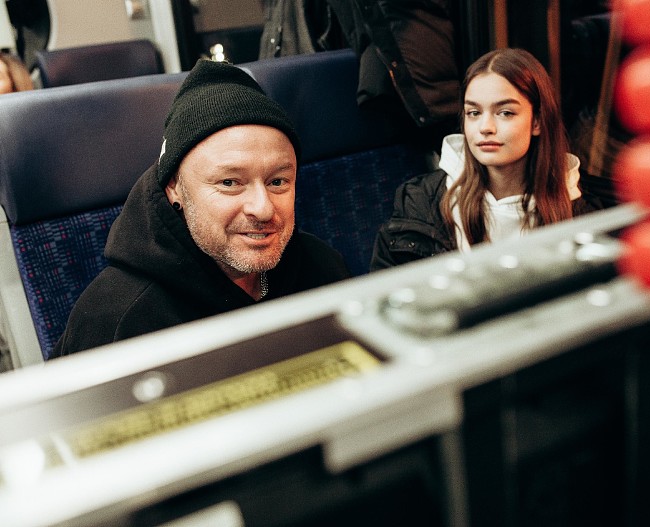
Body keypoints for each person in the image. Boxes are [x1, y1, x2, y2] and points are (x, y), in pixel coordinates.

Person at [52, 59, 350, 357]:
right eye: (230, 182)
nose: (263, 209)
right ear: (174, 188)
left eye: (278, 182)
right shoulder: (119, 321)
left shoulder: (321, 268)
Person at [370, 48, 601, 271]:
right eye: (474, 113)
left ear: (537, 122)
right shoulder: (420, 202)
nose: (485, 127)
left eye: (505, 113)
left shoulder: (581, 213)